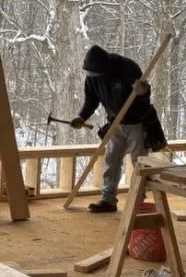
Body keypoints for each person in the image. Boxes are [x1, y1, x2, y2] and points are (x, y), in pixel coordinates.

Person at [70, 44, 167, 213]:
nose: (94, 77)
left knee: (139, 163)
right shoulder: (92, 76)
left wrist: (143, 91)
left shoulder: (127, 67)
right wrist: (82, 117)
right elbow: (91, 100)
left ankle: (138, 201)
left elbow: (144, 94)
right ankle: (108, 200)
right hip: (116, 122)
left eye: (97, 74)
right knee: (112, 160)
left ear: (105, 67)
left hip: (138, 121)